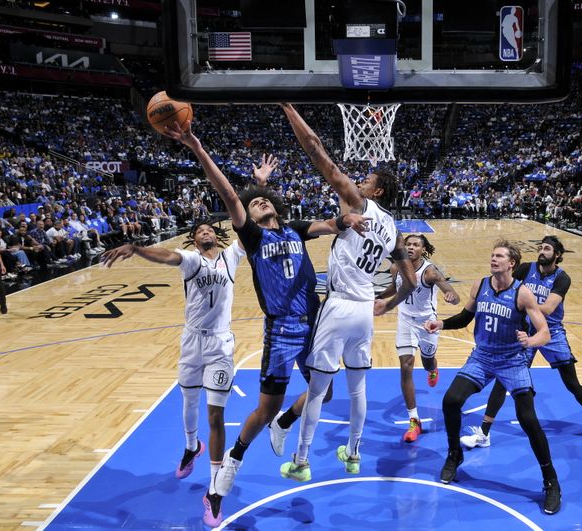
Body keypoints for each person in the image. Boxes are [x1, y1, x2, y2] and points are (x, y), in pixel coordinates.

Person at [162, 121, 369, 525]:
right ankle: (223, 478)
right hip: (281, 331)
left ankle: (287, 423)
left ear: (275, 203)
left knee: (323, 395)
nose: (257, 204)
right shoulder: (254, 238)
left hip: (315, 325)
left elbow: (332, 224)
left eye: (261, 200)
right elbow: (226, 192)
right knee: (262, 410)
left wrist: (349, 221)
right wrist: (197, 146)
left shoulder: (294, 229)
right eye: (252, 203)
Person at [278, 103, 416, 481]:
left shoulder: (359, 204)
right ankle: (353, 455)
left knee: (320, 387)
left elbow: (316, 150)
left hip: (339, 306)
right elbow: (412, 280)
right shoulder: (395, 231)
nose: (360, 181)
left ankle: (301, 461)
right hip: (363, 314)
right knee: (357, 388)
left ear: (377, 191)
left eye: (367, 180)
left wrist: (288, 107)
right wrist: (389, 302)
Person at [101, 221, 244, 527]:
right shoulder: (191, 259)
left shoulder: (231, 256)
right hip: (192, 341)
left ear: (216, 236)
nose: (204, 232)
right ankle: (192, 447)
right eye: (199, 231)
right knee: (189, 401)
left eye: (208, 229)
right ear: (194, 240)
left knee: (216, 415)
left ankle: (214, 492)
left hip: (220, 343)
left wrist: (256, 188)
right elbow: (167, 256)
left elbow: (245, 226)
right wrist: (137, 249)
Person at [424, 241, 562, 514]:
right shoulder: (481, 285)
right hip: (483, 357)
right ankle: (454, 454)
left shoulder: (522, 293)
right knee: (451, 401)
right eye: (492, 255)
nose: (493, 259)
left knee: (528, 419)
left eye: (499, 256)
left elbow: (544, 333)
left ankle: (551, 482)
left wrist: (530, 340)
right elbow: (466, 317)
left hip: (512, 360)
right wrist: (441, 323)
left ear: (512, 263)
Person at [460, 235, 582, 450]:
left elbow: (547, 308)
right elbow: (508, 285)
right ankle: (484, 433)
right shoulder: (526, 268)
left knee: (571, 383)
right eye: (540, 248)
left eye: (547, 249)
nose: (542, 251)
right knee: (503, 380)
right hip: (525, 333)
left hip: (552, 333)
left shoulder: (562, 278)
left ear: (557, 255)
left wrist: (523, 302)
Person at [376, 233, 460, 442]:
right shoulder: (396, 267)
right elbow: (395, 288)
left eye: (415, 245)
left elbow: (454, 294)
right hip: (405, 320)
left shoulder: (430, 271)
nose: (411, 247)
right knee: (406, 366)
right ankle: (414, 420)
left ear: (423, 249)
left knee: (427, 361)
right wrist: (377, 296)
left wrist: (451, 297)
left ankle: (433, 369)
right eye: (408, 244)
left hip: (426, 323)